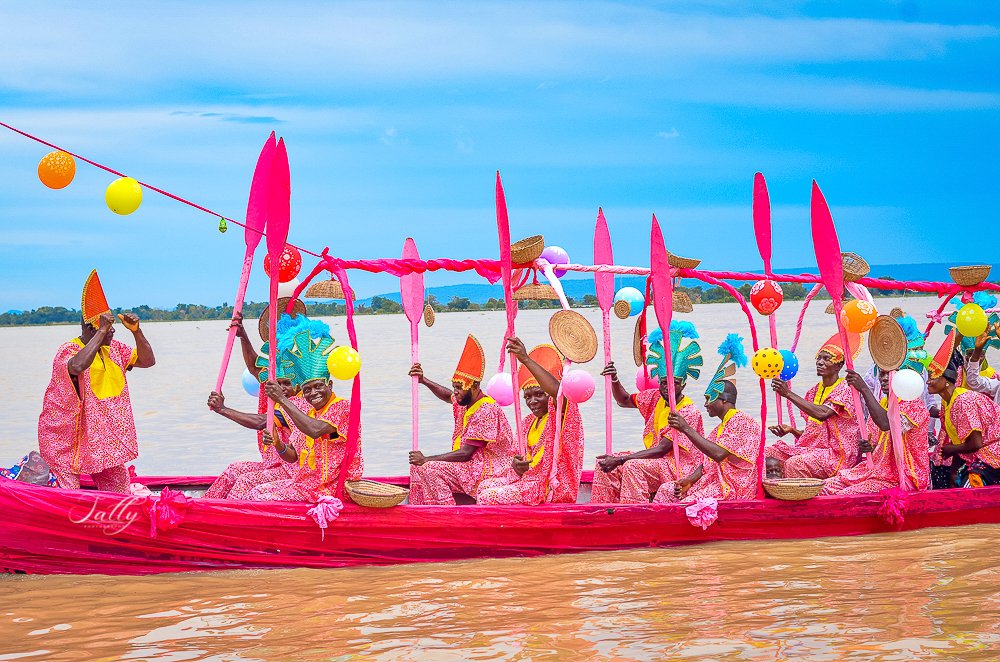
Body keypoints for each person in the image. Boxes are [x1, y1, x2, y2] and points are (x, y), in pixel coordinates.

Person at [37, 270, 155, 493]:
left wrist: (137, 332)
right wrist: (102, 331)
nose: (112, 333)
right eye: (108, 329)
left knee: (120, 493)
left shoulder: (115, 350)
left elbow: (148, 361)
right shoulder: (69, 350)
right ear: (91, 328)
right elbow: (78, 366)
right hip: (64, 442)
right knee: (69, 497)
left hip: (100, 441)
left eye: (110, 329)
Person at [203, 312, 319, 499]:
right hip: (273, 462)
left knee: (245, 481)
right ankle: (205, 508)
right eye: (278, 383)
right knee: (234, 469)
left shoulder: (300, 402)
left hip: (292, 469)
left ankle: (227, 517)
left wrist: (223, 410)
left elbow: (261, 422)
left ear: (298, 383)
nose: (281, 388)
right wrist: (243, 336)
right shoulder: (276, 385)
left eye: (287, 384)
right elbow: (255, 368)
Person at [245, 324, 363, 501]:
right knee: (254, 492)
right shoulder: (308, 412)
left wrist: (282, 400)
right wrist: (278, 444)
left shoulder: (342, 407)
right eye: (307, 389)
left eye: (318, 386)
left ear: (329, 385)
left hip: (331, 489)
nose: (313, 393)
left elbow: (314, 430)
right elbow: (292, 456)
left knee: (259, 499)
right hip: (305, 485)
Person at [591, 322, 705, 503]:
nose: (667, 387)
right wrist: (614, 379)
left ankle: (634, 514)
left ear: (683, 384)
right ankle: (605, 510)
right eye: (664, 382)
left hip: (678, 466)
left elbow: (662, 449)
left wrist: (620, 460)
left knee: (632, 466)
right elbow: (624, 400)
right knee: (604, 463)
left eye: (674, 382)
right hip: (657, 462)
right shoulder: (654, 397)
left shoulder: (688, 410)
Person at [408, 335, 517, 505]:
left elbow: (465, 454)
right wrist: (423, 380)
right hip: (473, 465)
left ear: (474, 386)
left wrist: (427, 459)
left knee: (429, 467)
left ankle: (447, 514)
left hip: (490, 468)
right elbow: (447, 396)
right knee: (417, 467)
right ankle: (425, 510)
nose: (455, 392)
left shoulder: (486, 409)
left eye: (459, 388)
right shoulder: (465, 402)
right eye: (454, 387)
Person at [653, 334, 762, 503]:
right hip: (713, 481)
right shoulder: (718, 429)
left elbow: (718, 454)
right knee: (667, 490)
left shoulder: (742, 421)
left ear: (724, 399)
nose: (705, 405)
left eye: (708, 399)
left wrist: (686, 428)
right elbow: (706, 463)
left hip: (732, 487)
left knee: (686, 503)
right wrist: (689, 480)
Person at [477, 339, 585, 505]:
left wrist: (525, 359)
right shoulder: (527, 422)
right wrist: (516, 466)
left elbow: (559, 392)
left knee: (488, 496)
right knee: (484, 486)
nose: (532, 401)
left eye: (539, 394)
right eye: (527, 397)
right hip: (529, 482)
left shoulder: (562, 414)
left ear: (548, 395)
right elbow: (515, 458)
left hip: (550, 487)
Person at [766, 331, 862, 479]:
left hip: (837, 456)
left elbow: (822, 414)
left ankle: (797, 499)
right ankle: (774, 492)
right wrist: (792, 430)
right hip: (812, 450)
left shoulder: (846, 388)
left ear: (839, 366)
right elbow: (816, 433)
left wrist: (788, 394)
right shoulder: (813, 392)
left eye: (826, 359)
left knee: (794, 464)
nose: (820, 362)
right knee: (767, 452)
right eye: (819, 358)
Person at [822, 364, 931, 495]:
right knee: (824, 487)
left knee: (843, 496)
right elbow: (872, 443)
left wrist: (864, 388)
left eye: (889, 374)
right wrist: (867, 446)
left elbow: (885, 423)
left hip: (900, 477)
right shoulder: (883, 403)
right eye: (881, 374)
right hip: (875, 471)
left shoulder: (913, 405)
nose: (883, 379)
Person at [927, 330, 1000, 487]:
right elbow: (961, 440)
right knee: (954, 483)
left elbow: (975, 443)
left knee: (970, 485)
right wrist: (954, 472)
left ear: (947, 381)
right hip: (975, 455)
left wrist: (951, 450)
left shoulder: (963, 400)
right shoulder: (949, 402)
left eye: (933, 377)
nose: (928, 382)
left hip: (992, 451)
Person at [963, 321, 1000, 405]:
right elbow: (973, 382)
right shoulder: (997, 385)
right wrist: (977, 351)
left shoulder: (992, 374)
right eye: (969, 354)